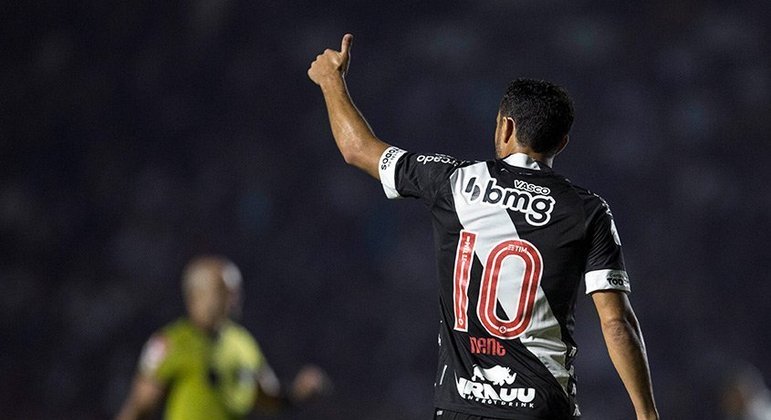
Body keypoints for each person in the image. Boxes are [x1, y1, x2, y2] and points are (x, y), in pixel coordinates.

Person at [308, 34, 659, 419]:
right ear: (562, 141)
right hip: (541, 407)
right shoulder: (589, 211)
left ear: (505, 127)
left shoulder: (452, 181)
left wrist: (331, 80)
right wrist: (646, 414)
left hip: (462, 405)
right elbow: (616, 323)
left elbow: (356, 148)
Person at [116, 255, 329, 420]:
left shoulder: (242, 342)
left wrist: (297, 393)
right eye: (222, 291)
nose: (233, 299)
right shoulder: (171, 342)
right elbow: (138, 409)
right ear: (196, 295)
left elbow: (265, 396)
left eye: (235, 291)